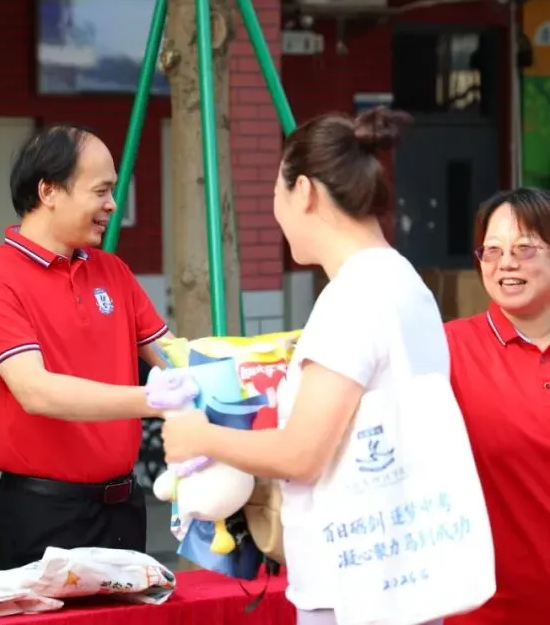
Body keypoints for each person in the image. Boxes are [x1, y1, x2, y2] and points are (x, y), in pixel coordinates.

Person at [159, 107, 446, 625]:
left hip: (353, 586)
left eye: (276, 191)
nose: (274, 209)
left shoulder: (353, 298)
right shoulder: (405, 282)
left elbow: (302, 454)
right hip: (402, 569)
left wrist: (199, 438)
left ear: (305, 192)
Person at [0, 124, 172, 571]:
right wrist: (151, 398)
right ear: (50, 190)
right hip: (44, 515)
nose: (112, 205)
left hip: (125, 507)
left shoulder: (113, 271)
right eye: (102, 191)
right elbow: (37, 392)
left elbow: (173, 354)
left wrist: (252, 366)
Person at [442, 187, 550, 625]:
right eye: (492, 250)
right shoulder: (445, 349)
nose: (507, 262)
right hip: (489, 612)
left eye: (525, 248)